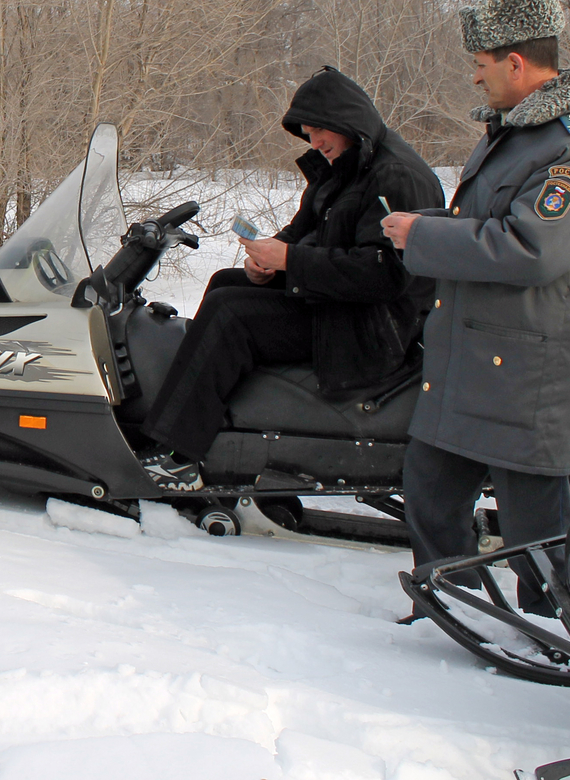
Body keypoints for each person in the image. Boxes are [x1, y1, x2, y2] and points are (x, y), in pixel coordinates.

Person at [383, 0, 570, 615]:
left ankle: (558, 630)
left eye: (483, 64)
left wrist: (426, 237)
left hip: (529, 377)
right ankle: (455, 607)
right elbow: (488, 219)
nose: (475, 76)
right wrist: (430, 222)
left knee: (533, 526)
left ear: (516, 63)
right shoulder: (517, 135)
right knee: (431, 489)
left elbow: (531, 247)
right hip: (474, 364)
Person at [140, 66, 444, 485]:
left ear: (348, 122)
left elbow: (385, 275)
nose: (314, 143)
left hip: (377, 329)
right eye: (307, 133)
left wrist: (291, 262)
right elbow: (304, 231)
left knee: (232, 314)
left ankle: (177, 454)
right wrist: (267, 261)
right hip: (342, 307)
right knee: (230, 283)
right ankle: (218, 415)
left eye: (320, 131)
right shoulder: (347, 167)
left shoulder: (397, 177)